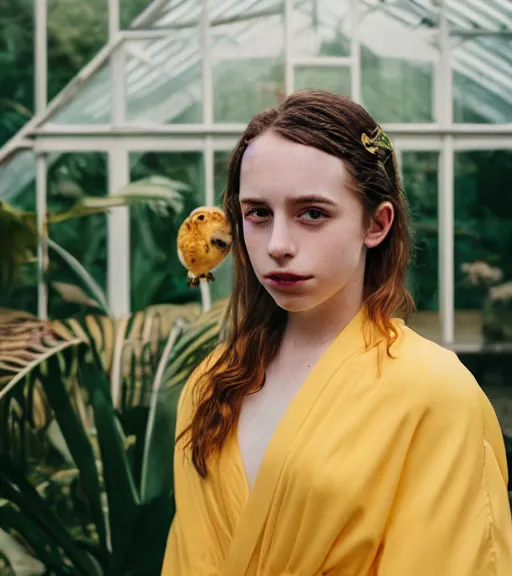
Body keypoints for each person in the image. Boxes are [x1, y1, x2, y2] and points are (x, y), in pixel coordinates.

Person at [160, 89, 512, 575]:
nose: (278, 245)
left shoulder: (434, 392)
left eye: (312, 213)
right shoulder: (210, 383)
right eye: (258, 213)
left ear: (376, 223)